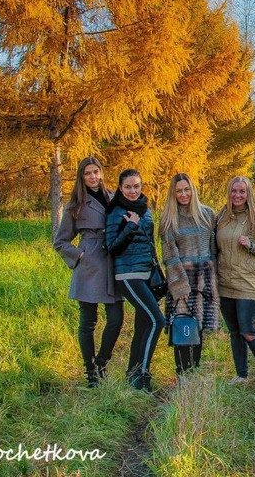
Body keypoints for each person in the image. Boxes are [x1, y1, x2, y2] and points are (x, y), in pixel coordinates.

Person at [54, 157, 124, 387]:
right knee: (88, 322)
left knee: (116, 318)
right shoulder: (75, 205)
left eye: (96, 172)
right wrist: (79, 255)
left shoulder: (114, 197)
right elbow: (60, 241)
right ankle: (90, 372)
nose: (93, 177)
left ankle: (102, 360)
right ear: (81, 177)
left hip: (112, 261)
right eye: (88, 173)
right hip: (90, 265)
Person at [215, 176, 255, 393]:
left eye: (242, 191)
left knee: (249, 331)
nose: (238, 195)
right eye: (234, 191)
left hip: (248, 283)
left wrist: (251, 245)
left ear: (248, 193)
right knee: (235, 332)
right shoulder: (221, 216)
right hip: (225, 282)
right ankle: (241, 375)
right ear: (229, 192)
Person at [105, 169, 165, 391]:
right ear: (120, 188)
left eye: (137, 186)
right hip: (127, 274)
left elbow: (149, 243)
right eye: (128, 187)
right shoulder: (115, 211)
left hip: (146, 273)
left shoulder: (145, 209)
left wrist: (157, 271)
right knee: (157, 321)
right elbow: (111, 247)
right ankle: (143, 377)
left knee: (143, 325)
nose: (133, 190)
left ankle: (132, 376)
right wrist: (130, 226)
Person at [159, 174, 220, 379]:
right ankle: (182, 375)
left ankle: (193, 372)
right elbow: (169, 255)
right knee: (182, 325)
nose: (183, 194)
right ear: (173, 193)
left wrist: (214, 280)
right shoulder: (169, 219)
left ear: (193, 190)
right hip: (182, 280)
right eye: (179, 191)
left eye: (187, 189)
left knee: (198, 327)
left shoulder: (208, 214)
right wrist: (179, 286)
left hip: (205, 280)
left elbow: (214, 249)